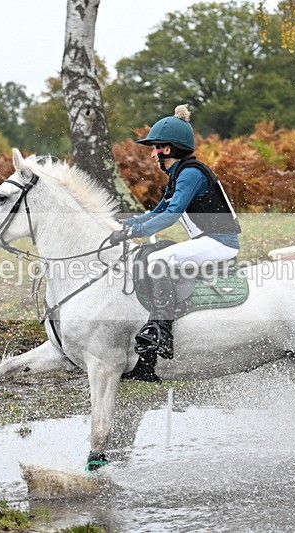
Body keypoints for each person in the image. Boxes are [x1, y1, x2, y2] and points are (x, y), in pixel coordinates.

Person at [109, 104, 242, 382]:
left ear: (166, 150)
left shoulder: (191, 174)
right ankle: (152, 347)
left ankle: (162, 331)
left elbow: (171, 216)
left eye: (154, 148)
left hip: (221, 243)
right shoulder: (179, 176)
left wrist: (135, 233)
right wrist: (124, 225)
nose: (151, 153)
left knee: (159, 260)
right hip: (209, 240)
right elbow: (156, 212)